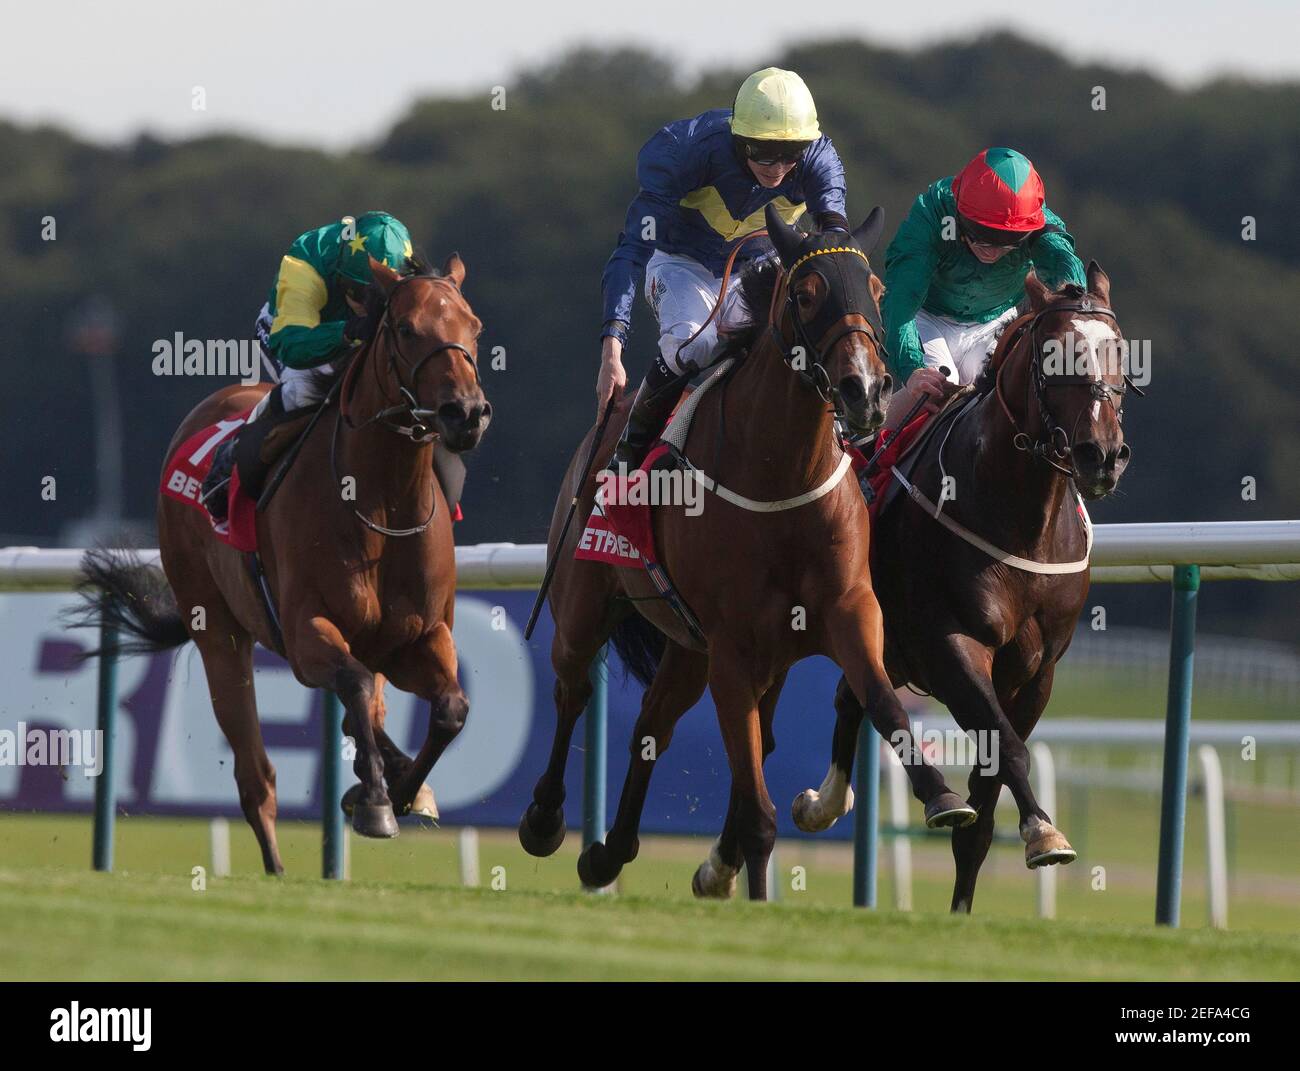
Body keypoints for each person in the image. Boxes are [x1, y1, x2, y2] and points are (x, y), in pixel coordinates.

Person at [598, 67, 850, 470]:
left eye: (790, 153)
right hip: (682, 263)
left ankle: (848, 443)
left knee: (803, 334)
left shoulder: (819, 158)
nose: (778, 167)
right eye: (762, 151)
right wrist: (613, 344)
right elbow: (632, 249)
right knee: (694, 345)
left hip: (762, 264)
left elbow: (836, 251)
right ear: (738, 138)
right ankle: (629, 454)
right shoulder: (686, 150)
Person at [201, 211, 414, 520]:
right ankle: (233, 452)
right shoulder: (304, 261)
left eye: (375, 297)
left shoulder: (406, 272)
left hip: (362, 334)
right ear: (339, 270)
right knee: (305, 390)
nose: (363, 304)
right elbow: (292, 345)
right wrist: (346, 331)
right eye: (354, 290)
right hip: (292, 331)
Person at [879, 147, 1087, 428]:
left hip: (994, 323)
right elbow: (901, 299)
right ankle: (865, 448)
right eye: (983, 236)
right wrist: (912, 369)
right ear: (961, 214)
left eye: (1007, 241)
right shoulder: (933, 212)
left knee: (1005, 396)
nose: (992, 251)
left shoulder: (1042, 225)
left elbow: (1069, 278)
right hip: (926, 318)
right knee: (942, 387)